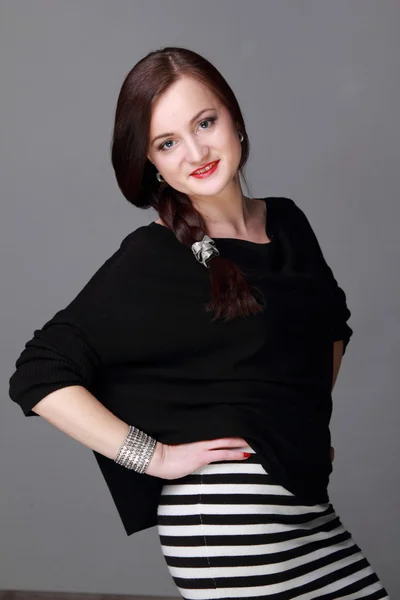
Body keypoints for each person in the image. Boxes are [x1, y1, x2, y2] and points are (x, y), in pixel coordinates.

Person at [8, 46, 390, 599]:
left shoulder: (287, 222)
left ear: (234, 117)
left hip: (309, 509)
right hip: (233, 528)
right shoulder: (154, 255)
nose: (195, 152)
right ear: (152, 164)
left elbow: (331, 327)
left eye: (204, 123)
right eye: (168, 143)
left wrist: (300, 428)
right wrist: (153, 455)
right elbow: (38, 372)